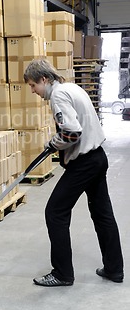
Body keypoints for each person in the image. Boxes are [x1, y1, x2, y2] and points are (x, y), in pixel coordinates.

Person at [23, 58, 124, 287]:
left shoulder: (57, 95)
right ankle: (114, 269)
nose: (33, 91)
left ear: (44, 79)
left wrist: (53, 143)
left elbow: (71, 132)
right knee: (102, 214)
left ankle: (62, 273)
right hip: (98, 157)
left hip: (85, 163)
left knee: (55, 212)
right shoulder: (72, 87)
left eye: (33, 85)